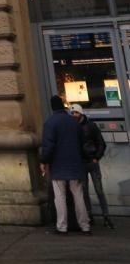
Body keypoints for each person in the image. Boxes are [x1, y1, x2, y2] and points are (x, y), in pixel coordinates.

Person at [39, 95, 91, 234]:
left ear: (52, 107)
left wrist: (43, 161)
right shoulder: (73, 122)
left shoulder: (50, 123)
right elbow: (82, 143)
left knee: (60, 197)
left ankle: (62, 226)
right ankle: (85, 225)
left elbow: (48, 146)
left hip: (58, 165)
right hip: (75, 164)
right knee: (78, 196)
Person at [70, 104, 113, 228]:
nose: (74, 115)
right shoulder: (72, 127)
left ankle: (106, 216)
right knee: (84, 191)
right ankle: (89, 215)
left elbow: (101, 143)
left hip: (91, 161)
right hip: (81, 163)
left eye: (76, 113)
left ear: (81, 113)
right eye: (72, 113)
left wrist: (96, 158)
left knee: (99, 190)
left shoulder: (91, 125)